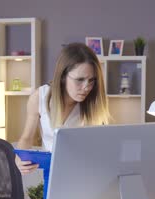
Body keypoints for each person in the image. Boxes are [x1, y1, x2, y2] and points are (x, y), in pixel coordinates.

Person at [16, 42, 110, 174]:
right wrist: (20, 158)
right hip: (52, 173)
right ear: (63, 76)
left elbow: (102, 146)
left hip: (85, 172)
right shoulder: (40, 97)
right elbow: (27, 137)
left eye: (91, 80)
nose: (86, 87)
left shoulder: (93, 103)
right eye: (80, 80)